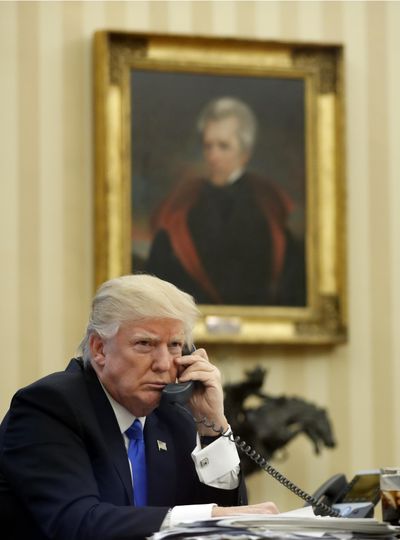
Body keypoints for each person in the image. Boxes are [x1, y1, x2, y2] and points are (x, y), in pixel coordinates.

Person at [0, 274, 278, 540]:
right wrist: (209, 517)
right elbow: (78, 523)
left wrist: (212, 427)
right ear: (99, 349)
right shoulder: (48, 408)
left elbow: (225, 521)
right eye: (145, 344)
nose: (164, 364)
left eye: (175, 345)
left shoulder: (175, 418)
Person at [146, 96, 306, 306]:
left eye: (223, 146)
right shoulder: (183, 203)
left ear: (245, 153)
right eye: (208, 146)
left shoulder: (268, 205)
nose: (213, 156)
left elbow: (288, 281)